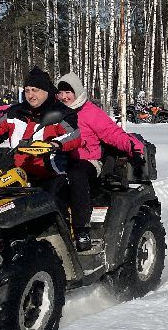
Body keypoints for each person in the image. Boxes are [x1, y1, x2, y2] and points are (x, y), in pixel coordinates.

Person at [56, 72, 145, 252]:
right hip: (59, 160)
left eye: (69, 92)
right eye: (61, 92)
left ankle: (82, 230)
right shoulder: (54, 112)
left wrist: (134, 148)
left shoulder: (90, 112)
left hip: (88, 161)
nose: (64, 97)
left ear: (77, 92)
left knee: (76, 175)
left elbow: (112, 133)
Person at [0, 67, 80, 186]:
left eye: (34, 90)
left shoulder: (61, 113)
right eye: (27, 90)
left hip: (51, 175)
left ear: (46, 91)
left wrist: (55, 144)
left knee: (51, 199)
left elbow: (74, 136)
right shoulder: (15, 112)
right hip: (16, 174)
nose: (30, 95)